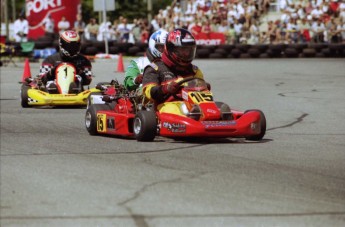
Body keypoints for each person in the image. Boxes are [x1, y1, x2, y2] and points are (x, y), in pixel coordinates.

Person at [142, 28, 204, 105]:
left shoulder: (194, 70)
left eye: (189, 50)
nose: (187, 54)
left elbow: (201, 90)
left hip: (192, 106)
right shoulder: (154, 68)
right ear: (171, 50)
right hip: (166, 106)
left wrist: (204, 87)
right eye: (183, 50)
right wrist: (165, 89)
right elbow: (148, 92)